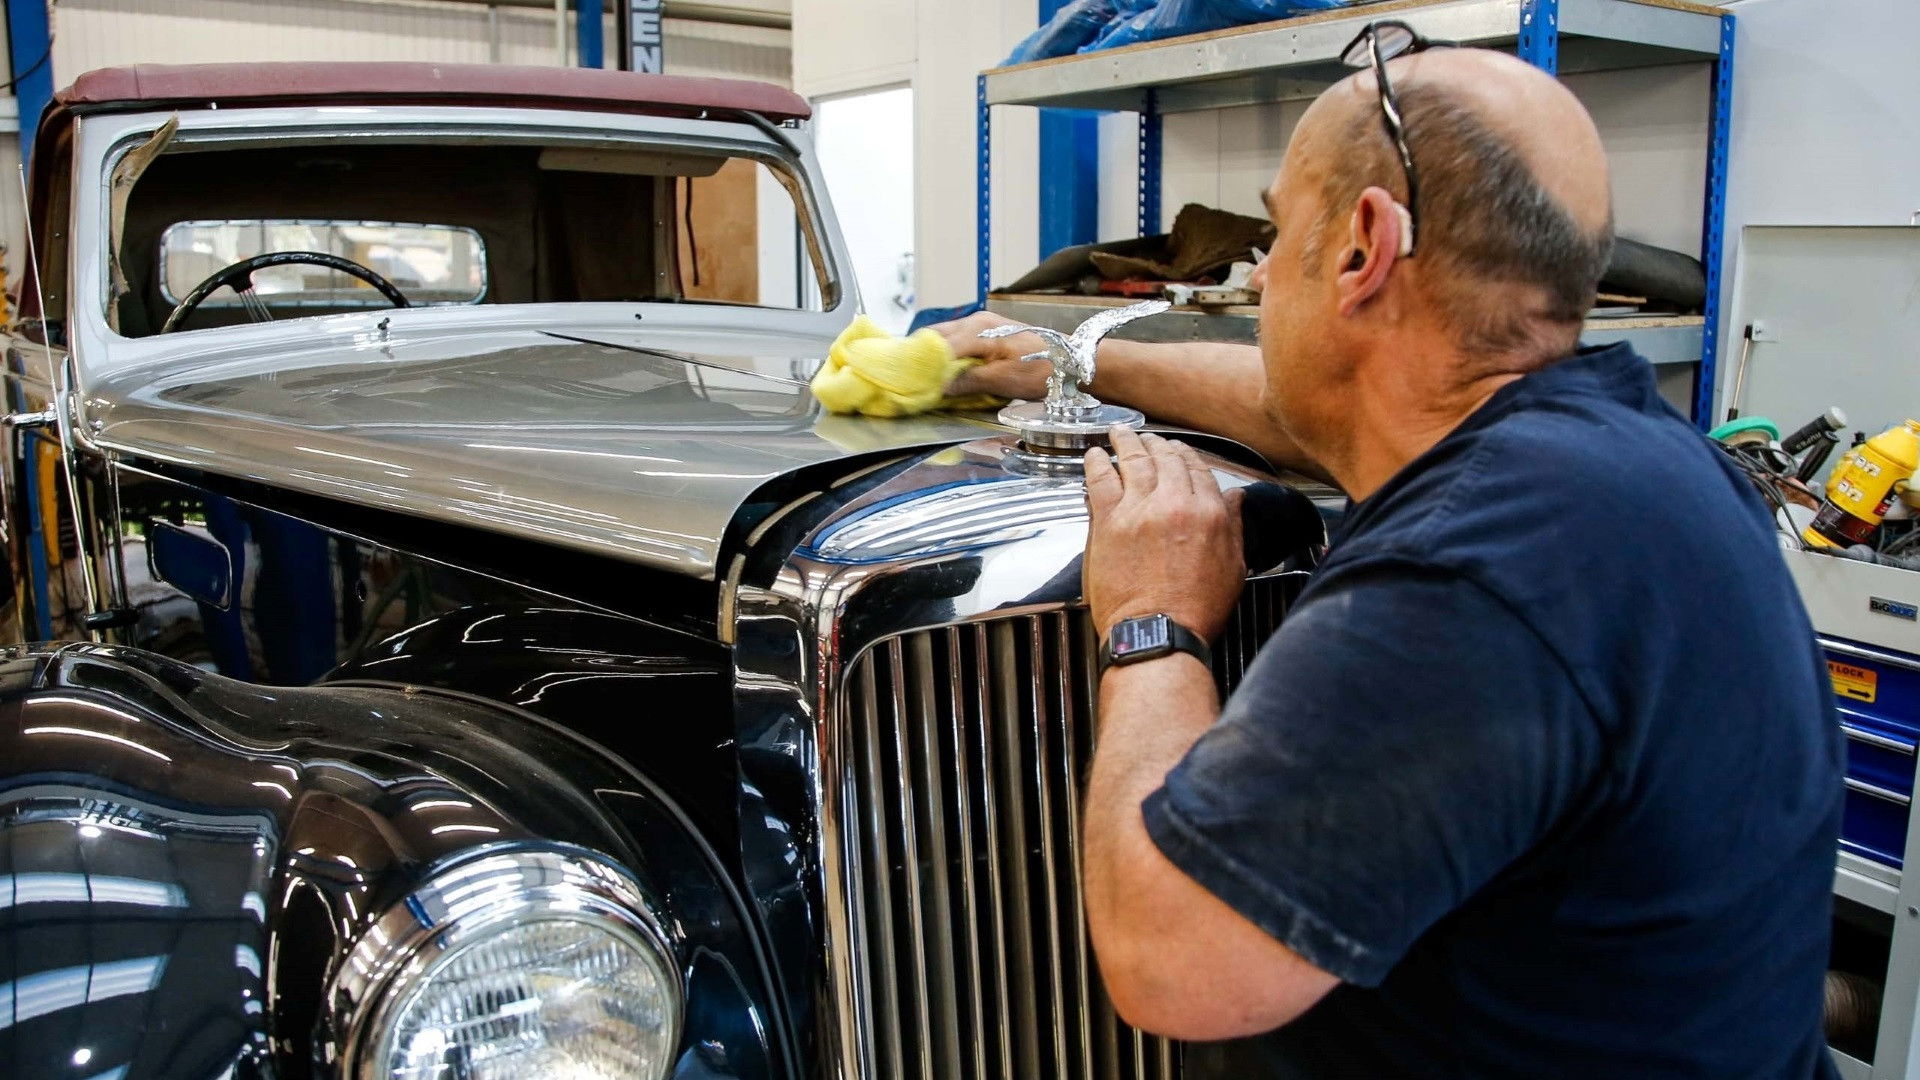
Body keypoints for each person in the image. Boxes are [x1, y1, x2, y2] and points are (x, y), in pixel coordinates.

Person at [933, 42, 1842, 1079]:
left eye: (1277, 233)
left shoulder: (1478, 574)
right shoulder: (1625, 457)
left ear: (1365, 246)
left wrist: (1153, 626)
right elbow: (1291, 401)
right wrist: (1068, 360)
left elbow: (1172, 965)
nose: (1261, 272)